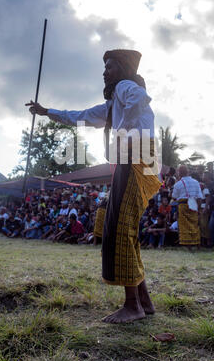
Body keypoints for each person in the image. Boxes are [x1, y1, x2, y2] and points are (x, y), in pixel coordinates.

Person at [26, 48, 161, 323]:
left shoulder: (126, 87)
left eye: (110, 67)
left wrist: (126, 134)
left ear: (123, 70)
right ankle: (144, 302)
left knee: (119, 229)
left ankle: (132, 306)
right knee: (122, 228)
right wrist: (47, 112)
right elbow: (81, 115)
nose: (104, 72)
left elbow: (140, 99)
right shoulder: (113, 104)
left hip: (136, 157)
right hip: (137, 159)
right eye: (105, 68)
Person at [172, 165, 203, 249]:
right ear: (188, 172)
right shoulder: (196, 182)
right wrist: (199, 209)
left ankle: (188, 245)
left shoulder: (178, 184)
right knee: (194, 224)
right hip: (194, 204)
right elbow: (199, 197)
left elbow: (174, 197)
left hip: (183, 205)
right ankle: (197, 244)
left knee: (185, 225)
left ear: (179, 173)